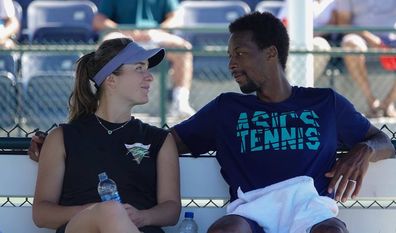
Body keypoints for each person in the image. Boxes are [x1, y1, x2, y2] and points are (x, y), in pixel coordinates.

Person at [29, 12, 395, 233]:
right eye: (228, 54)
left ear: (271, 54)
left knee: (332, 230)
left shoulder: (324, 102)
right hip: (251, 209)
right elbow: (155, 145)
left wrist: (365, 148)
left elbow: (385, 141)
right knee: (225, 230)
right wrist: (60, 145)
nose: (231, 63)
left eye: (240, 54)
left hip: (309, 207)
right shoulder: (225, 109)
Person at [32, 37, 180, 233]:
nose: (149, 77)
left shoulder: (159, 140)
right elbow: (42, 214)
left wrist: (143, 217)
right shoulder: (62, 138)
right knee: (110, 211)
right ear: (111, 79)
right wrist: (96, 212)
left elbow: (171, 208)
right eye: (139, 68)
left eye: (146, 68)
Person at [92, 0, 196, 119]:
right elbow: (98, 20)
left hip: (154, 35)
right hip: (124, 34)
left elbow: (176, 18)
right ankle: (104, 103)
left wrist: (157, 30)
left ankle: (180, 102)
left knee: (182, 48)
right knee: (106, 46)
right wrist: (123, 30)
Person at [335, 0, 396, 117]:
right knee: (351, 44)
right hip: (360, 37)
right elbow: (343, 23)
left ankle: (387, 103)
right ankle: (371, 101)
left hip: (391, 39)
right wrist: (368, 36)